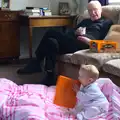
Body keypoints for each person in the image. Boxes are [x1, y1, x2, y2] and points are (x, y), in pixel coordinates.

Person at [17, 0, 113, 86]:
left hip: (83, 44)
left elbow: (109, 44)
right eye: (90, 11)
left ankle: (37, 62)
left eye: (95, 10)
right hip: (73, 40)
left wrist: (88, 40)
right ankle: (50, 76)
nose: (93, 13)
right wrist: (76, 32)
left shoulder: (106, 22)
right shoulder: (85, 21)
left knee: (51, 32)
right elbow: (71, 32)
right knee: (50, 42)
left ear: (101, 10)